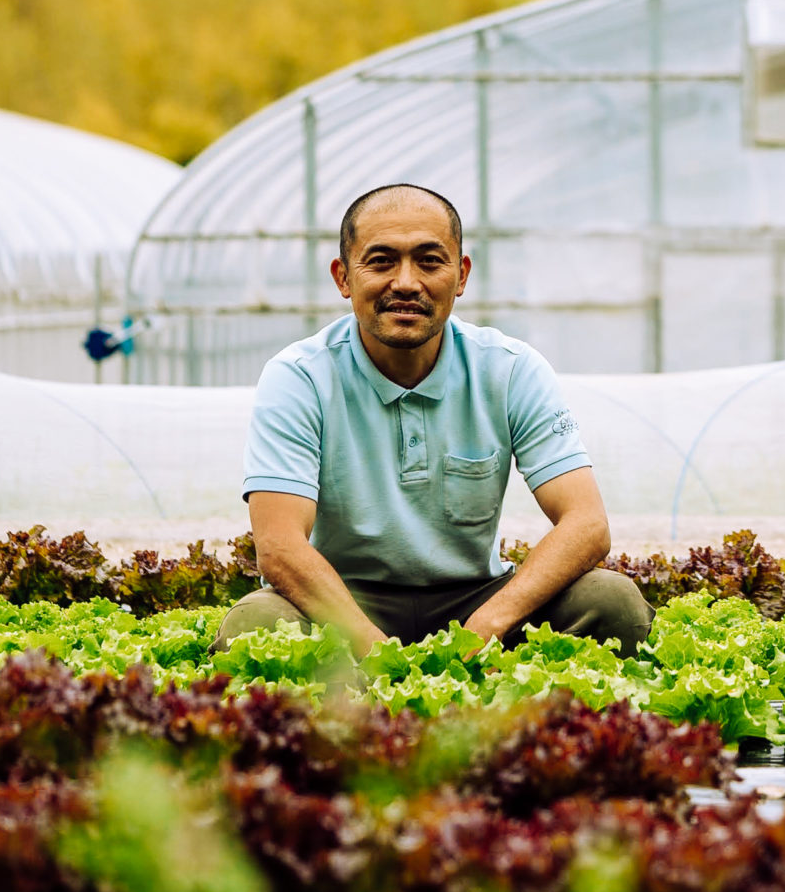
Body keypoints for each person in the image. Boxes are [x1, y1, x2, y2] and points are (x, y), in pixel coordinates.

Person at [215, 182, 649, 657]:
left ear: (461, 275)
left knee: (612, 602)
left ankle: (515, 728)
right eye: (381, 261)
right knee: (258, 624)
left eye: (429, 260)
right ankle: (361, 725)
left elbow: (586, 523)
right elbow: (279, 548)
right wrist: (375, 651)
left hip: (474, 597)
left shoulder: (509, 368)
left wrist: (488, 624)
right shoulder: (299, 377)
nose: (406, 282)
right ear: (343, 277)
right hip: (342, 601)